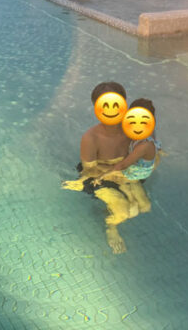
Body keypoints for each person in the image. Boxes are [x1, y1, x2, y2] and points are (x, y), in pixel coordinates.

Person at [62, 82, 142, 254]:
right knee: (122, 212)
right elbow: (89, 171)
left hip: (123, 172)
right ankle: (111, 227)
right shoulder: (91, 138)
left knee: (136, 206)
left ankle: (112, 205)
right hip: (98, 176)